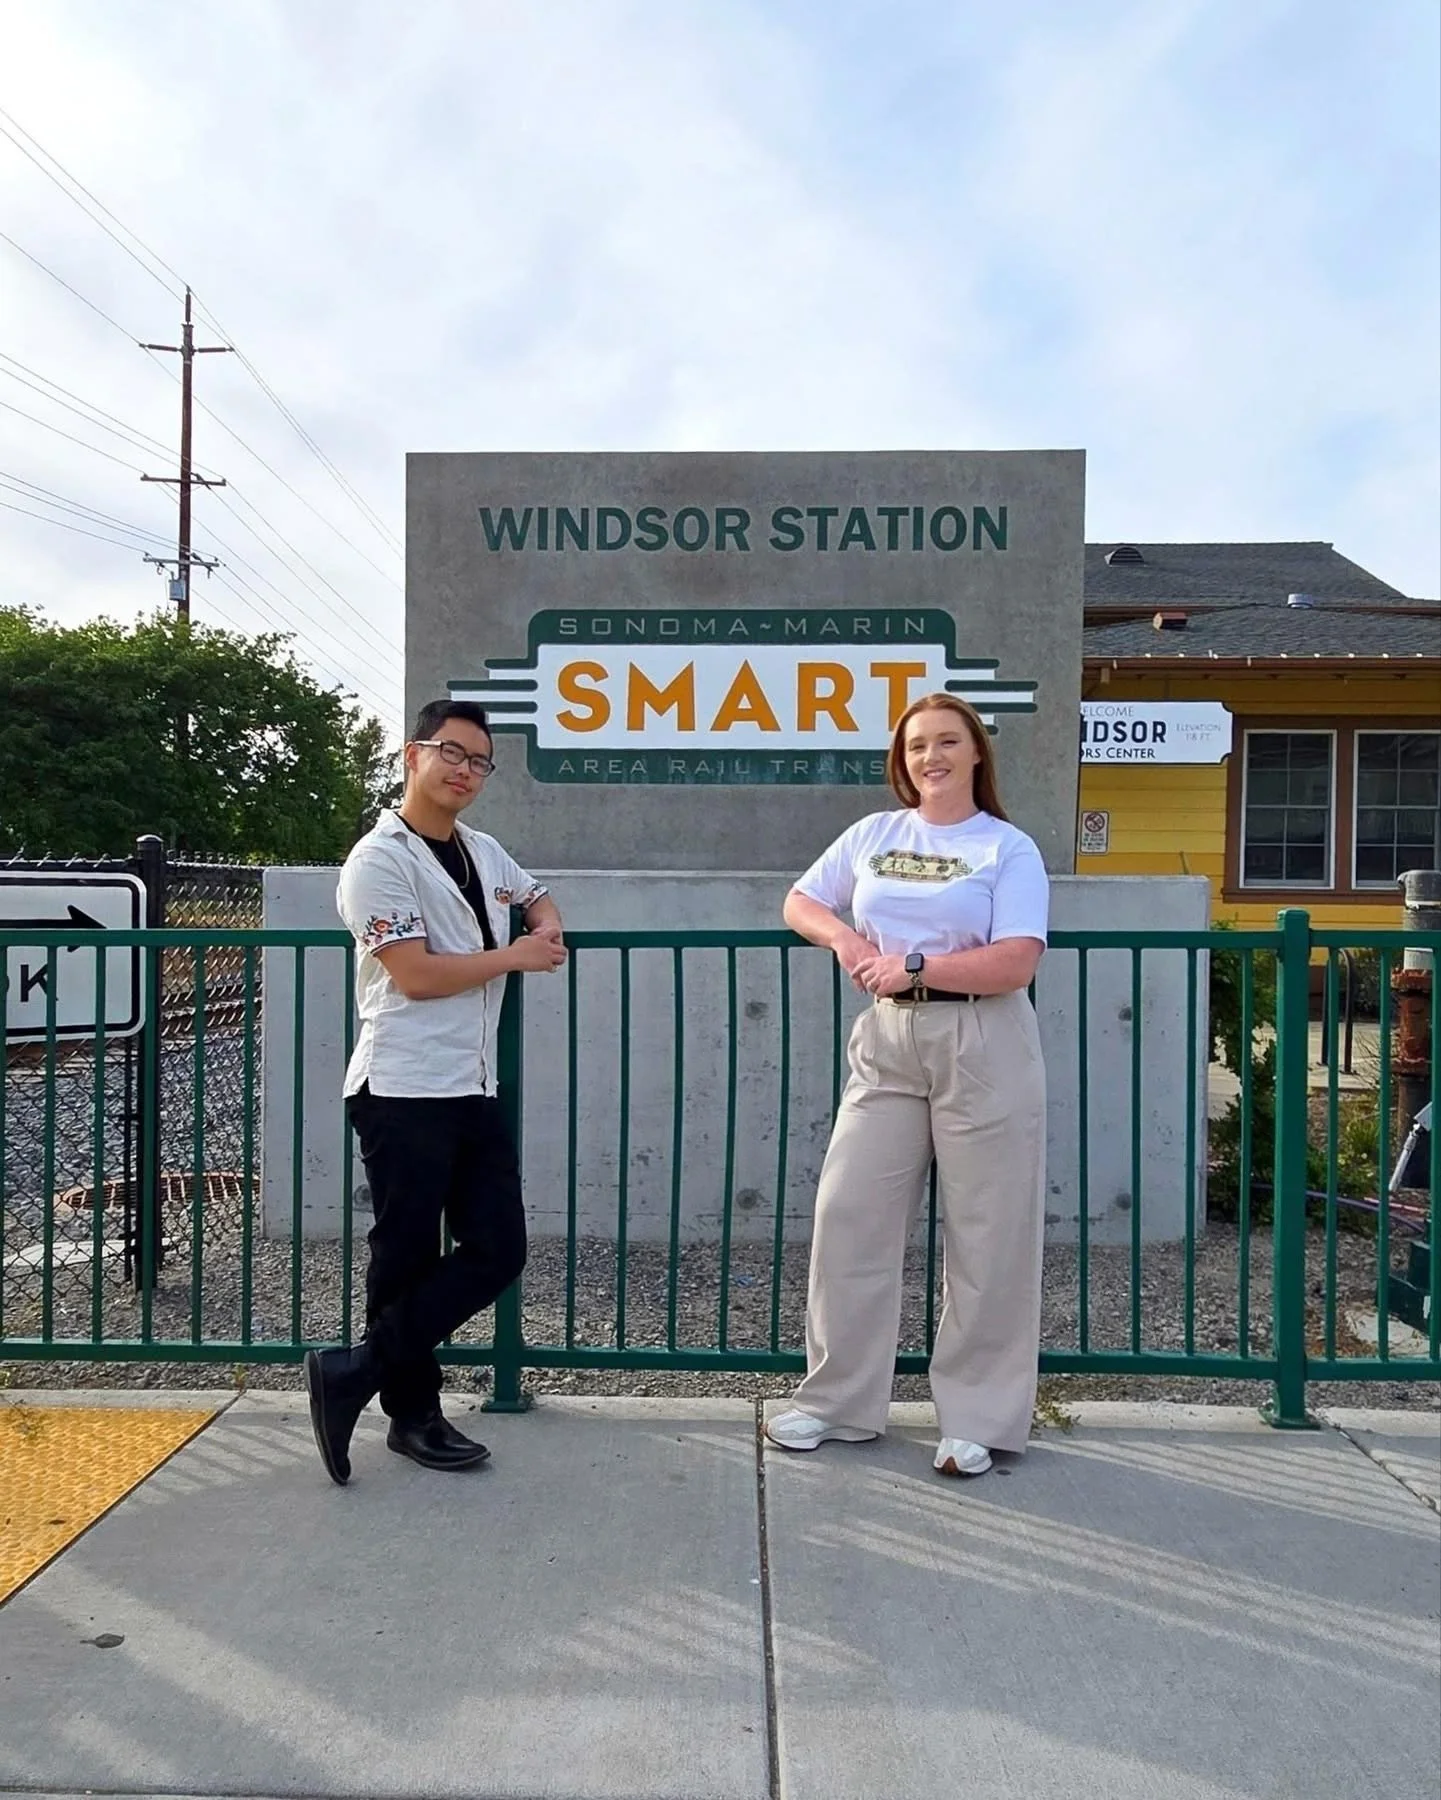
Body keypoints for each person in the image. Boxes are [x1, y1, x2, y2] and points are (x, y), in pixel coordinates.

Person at [765, 693, 1048, 1478]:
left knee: (988, 1234)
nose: (932, 756)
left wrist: (917, 963)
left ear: (976, 753)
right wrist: (848, 938)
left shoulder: (1006, 848)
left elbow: (1016, 959)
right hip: (888, 1041)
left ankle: (977, 1420)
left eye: (947, 742)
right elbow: (800, 900)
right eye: (917, 745)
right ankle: (838, 1405)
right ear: (902, 759)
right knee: (848, 1213)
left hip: (982, 1038)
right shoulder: (873, 835)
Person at [304, 700, 566, 1485]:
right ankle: (412, 1415)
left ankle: (353, 1372)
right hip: (403, 1086)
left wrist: (543, 924)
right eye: (451, 753)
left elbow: (536, 894)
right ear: (412, 756)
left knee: (498, 1249)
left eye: (479, 762)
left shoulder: (483, 851)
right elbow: (415, 975)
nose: (464, 771)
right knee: (406, 1253)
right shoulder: (378, 859)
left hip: (471, 1087)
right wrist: (518, 959)